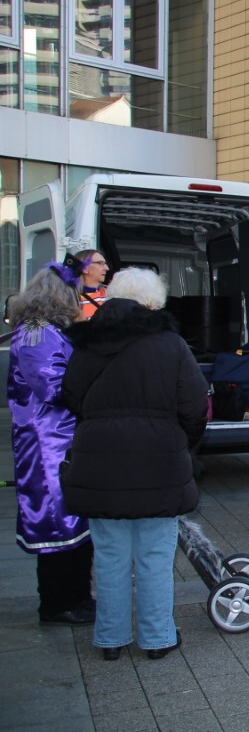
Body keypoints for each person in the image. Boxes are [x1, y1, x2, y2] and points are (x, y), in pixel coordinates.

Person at [60, 268, 208, 661]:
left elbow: (70, 395)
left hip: (99, 463)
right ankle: (157, 638)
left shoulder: (87, 342)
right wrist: (182, 441)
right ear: (153, 303)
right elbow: (195, 405)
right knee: (155, 556)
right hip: (159, 463)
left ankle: (110, 638)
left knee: (109, 556)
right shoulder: (171, 344)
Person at [7, 262, 94, 625]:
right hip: (47, 444)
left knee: (71, 517)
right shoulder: (37, 333)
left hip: (59, 439)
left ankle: (76, 595)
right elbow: (53, 387)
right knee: (56, 518)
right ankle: (58, 603)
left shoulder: (45, 331)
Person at [74, 249, 110, 319]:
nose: (107, 268)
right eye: (100, 263)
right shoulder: (71, 299)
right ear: (84, 268)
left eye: (105, 264)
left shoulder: (112, 293)